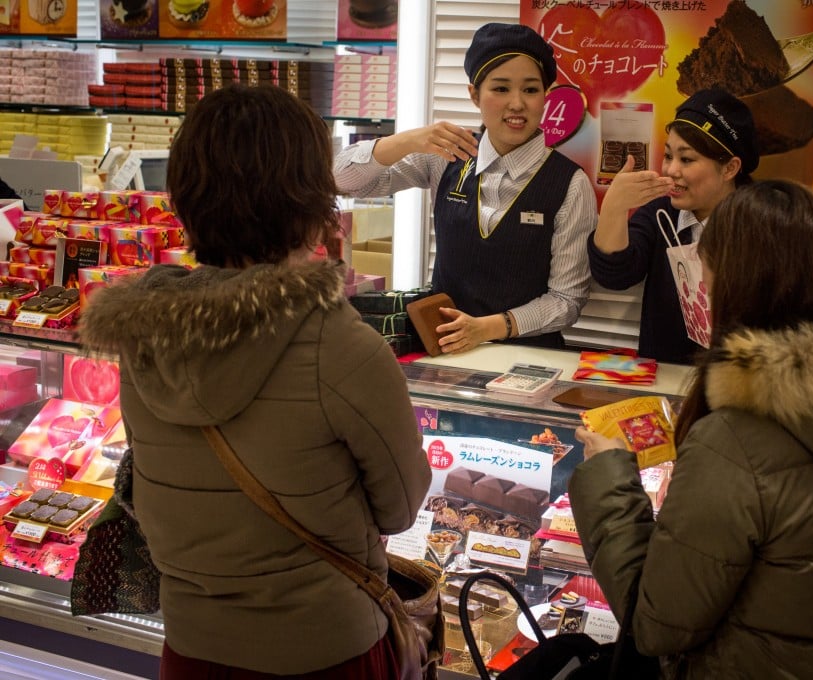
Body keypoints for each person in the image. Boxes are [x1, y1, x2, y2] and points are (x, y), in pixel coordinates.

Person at [77, 84, 432, 678]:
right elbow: (399, 510)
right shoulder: (342, 346)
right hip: (328, 651)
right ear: (308, 197)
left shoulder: (142, 337)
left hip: (191, 648)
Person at [569, 180, 813, 678]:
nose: (701, 289)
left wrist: (608, 477)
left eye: (705, 272)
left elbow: (658, 623)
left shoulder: (735, 440)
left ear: (738, 284)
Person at [334, 22, 598, 351]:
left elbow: (567, 301)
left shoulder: (570, 183)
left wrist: (486, 328)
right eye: (500, 89)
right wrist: (406, 140)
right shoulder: (445, 157)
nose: (517, 104)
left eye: (530, 90)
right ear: (474, 94)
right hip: (444, 354)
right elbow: (341, 179)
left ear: (546, 95)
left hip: (530, 361)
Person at [587, 87, 758, 364]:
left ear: (729, 168)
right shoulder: (661, 212)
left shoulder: (765, 222)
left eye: (686, 159)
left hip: (742, 386)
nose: (670, 170)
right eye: (668, 156)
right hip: (665, 381)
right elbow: (615, 275)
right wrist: (614, 208)